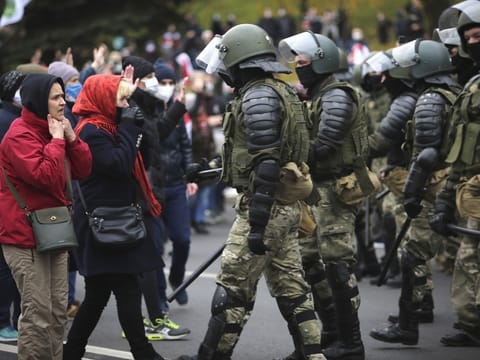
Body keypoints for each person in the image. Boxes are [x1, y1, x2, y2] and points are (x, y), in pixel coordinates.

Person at [178, 23, 326, 360]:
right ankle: (314, 353)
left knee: (231, 289)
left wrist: (257, 223)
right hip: (286, 208)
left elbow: (267, 163)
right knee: (292, 288)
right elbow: (254, 154)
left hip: (267, 208)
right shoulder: (278, 91)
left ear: (242, 59)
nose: (224, 71)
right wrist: (205, 170)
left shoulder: (258, 95)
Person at [278, 31, 378, 360]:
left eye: (303, 62)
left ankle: (351, 343)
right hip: (318, 192)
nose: (296, 66)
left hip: (336, 191)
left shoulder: (335, 96)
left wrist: (287, 154)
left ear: (321, 63)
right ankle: (332, 332)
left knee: (337, 264)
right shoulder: (318, 94)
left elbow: (324, 146)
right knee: (309, 261)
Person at [62, 72, 166, 360]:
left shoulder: (111, 126)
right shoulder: (91, 131)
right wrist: (130, 128)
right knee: (108, 292)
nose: (125, 104)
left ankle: (79, 351)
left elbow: (138, 150)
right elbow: (119, 165)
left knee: (114, 291)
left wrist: (133, 122)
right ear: (104, 99)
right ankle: (142, 352)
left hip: (116, 220)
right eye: (120, 98)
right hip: (103, 223)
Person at [369, 39, 461, 346]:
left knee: (414, 253)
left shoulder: (430, 99)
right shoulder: (454, 93)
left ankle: (408, 325)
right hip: (453, 184)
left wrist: (411, 193)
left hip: (435, 185)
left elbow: (425, 155)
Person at [0, 73, 92, 359]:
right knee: (37, 314)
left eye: (62, 96)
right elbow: (44, 176)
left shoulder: (55, 128)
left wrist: (71, 138)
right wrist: (56, 141)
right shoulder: (19, 134)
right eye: (55, 97)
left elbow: (84, 170)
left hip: (53, 232)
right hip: (24, 236)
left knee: (56, 311)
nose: (63, 102)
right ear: (39, 100)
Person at [120, 55, 191, 340]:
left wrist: (177, 107)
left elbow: (156, 136)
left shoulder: (144, 107)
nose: (155, 83)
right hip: (138, 196)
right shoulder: (131, 108)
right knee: (144, 262)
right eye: (150, 77)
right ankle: (150, 322)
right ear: (137, 80)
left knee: (143, 262)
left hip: (148, 193)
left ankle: (145, 322)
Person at [430, 2, 480, 347]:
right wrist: (446, 200)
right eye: (470, 38)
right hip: (470, 187)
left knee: (469, 257)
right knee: (468, 257)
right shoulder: (473, 86)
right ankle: (472, 324)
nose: (472, 43)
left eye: (478, 35)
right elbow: (462, 154)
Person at [152, 58, 197, 310]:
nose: (167, 86)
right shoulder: (147, 112)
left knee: (182, 240)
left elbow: (185, 146)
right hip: (154, 188)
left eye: (171, 82)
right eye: (162, 82)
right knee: (156, 247)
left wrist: (190, 177)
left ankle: (176, 279)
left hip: (176, 184)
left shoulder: (179, 111)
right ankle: (159, 299)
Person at [0, 70, 25, 342]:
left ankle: (15, 321)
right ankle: (4, 322)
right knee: (8, 267)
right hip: (9, 203)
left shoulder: (17, 118)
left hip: (13, 203)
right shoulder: (9, 121)